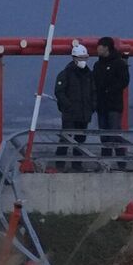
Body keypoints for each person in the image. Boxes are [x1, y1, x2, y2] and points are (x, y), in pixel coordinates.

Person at [52, 42, 95, 171]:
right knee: (66, 139)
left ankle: (77, 165)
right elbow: (59, 92)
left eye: (85, 58)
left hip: (84, 114)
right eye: (81, 58)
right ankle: (60, 164)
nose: (83, 61)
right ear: (74, 58)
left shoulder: (89, 75)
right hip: (70, 114)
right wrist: (68, 106)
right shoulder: (65, 74)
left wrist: (92, 106)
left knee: (80, 141)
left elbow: (94, 92)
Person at [92, 36, 130, 165]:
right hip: (101, 105)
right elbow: (94, 82)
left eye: (99, 47)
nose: (97, 49)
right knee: (104, 136)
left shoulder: (118, 63)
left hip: (114, 104)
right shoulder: (97, 65)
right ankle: (105, 163)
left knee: (114, 133)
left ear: (106, 48)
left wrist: (110, 90)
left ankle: (121, 162)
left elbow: (124, 81)